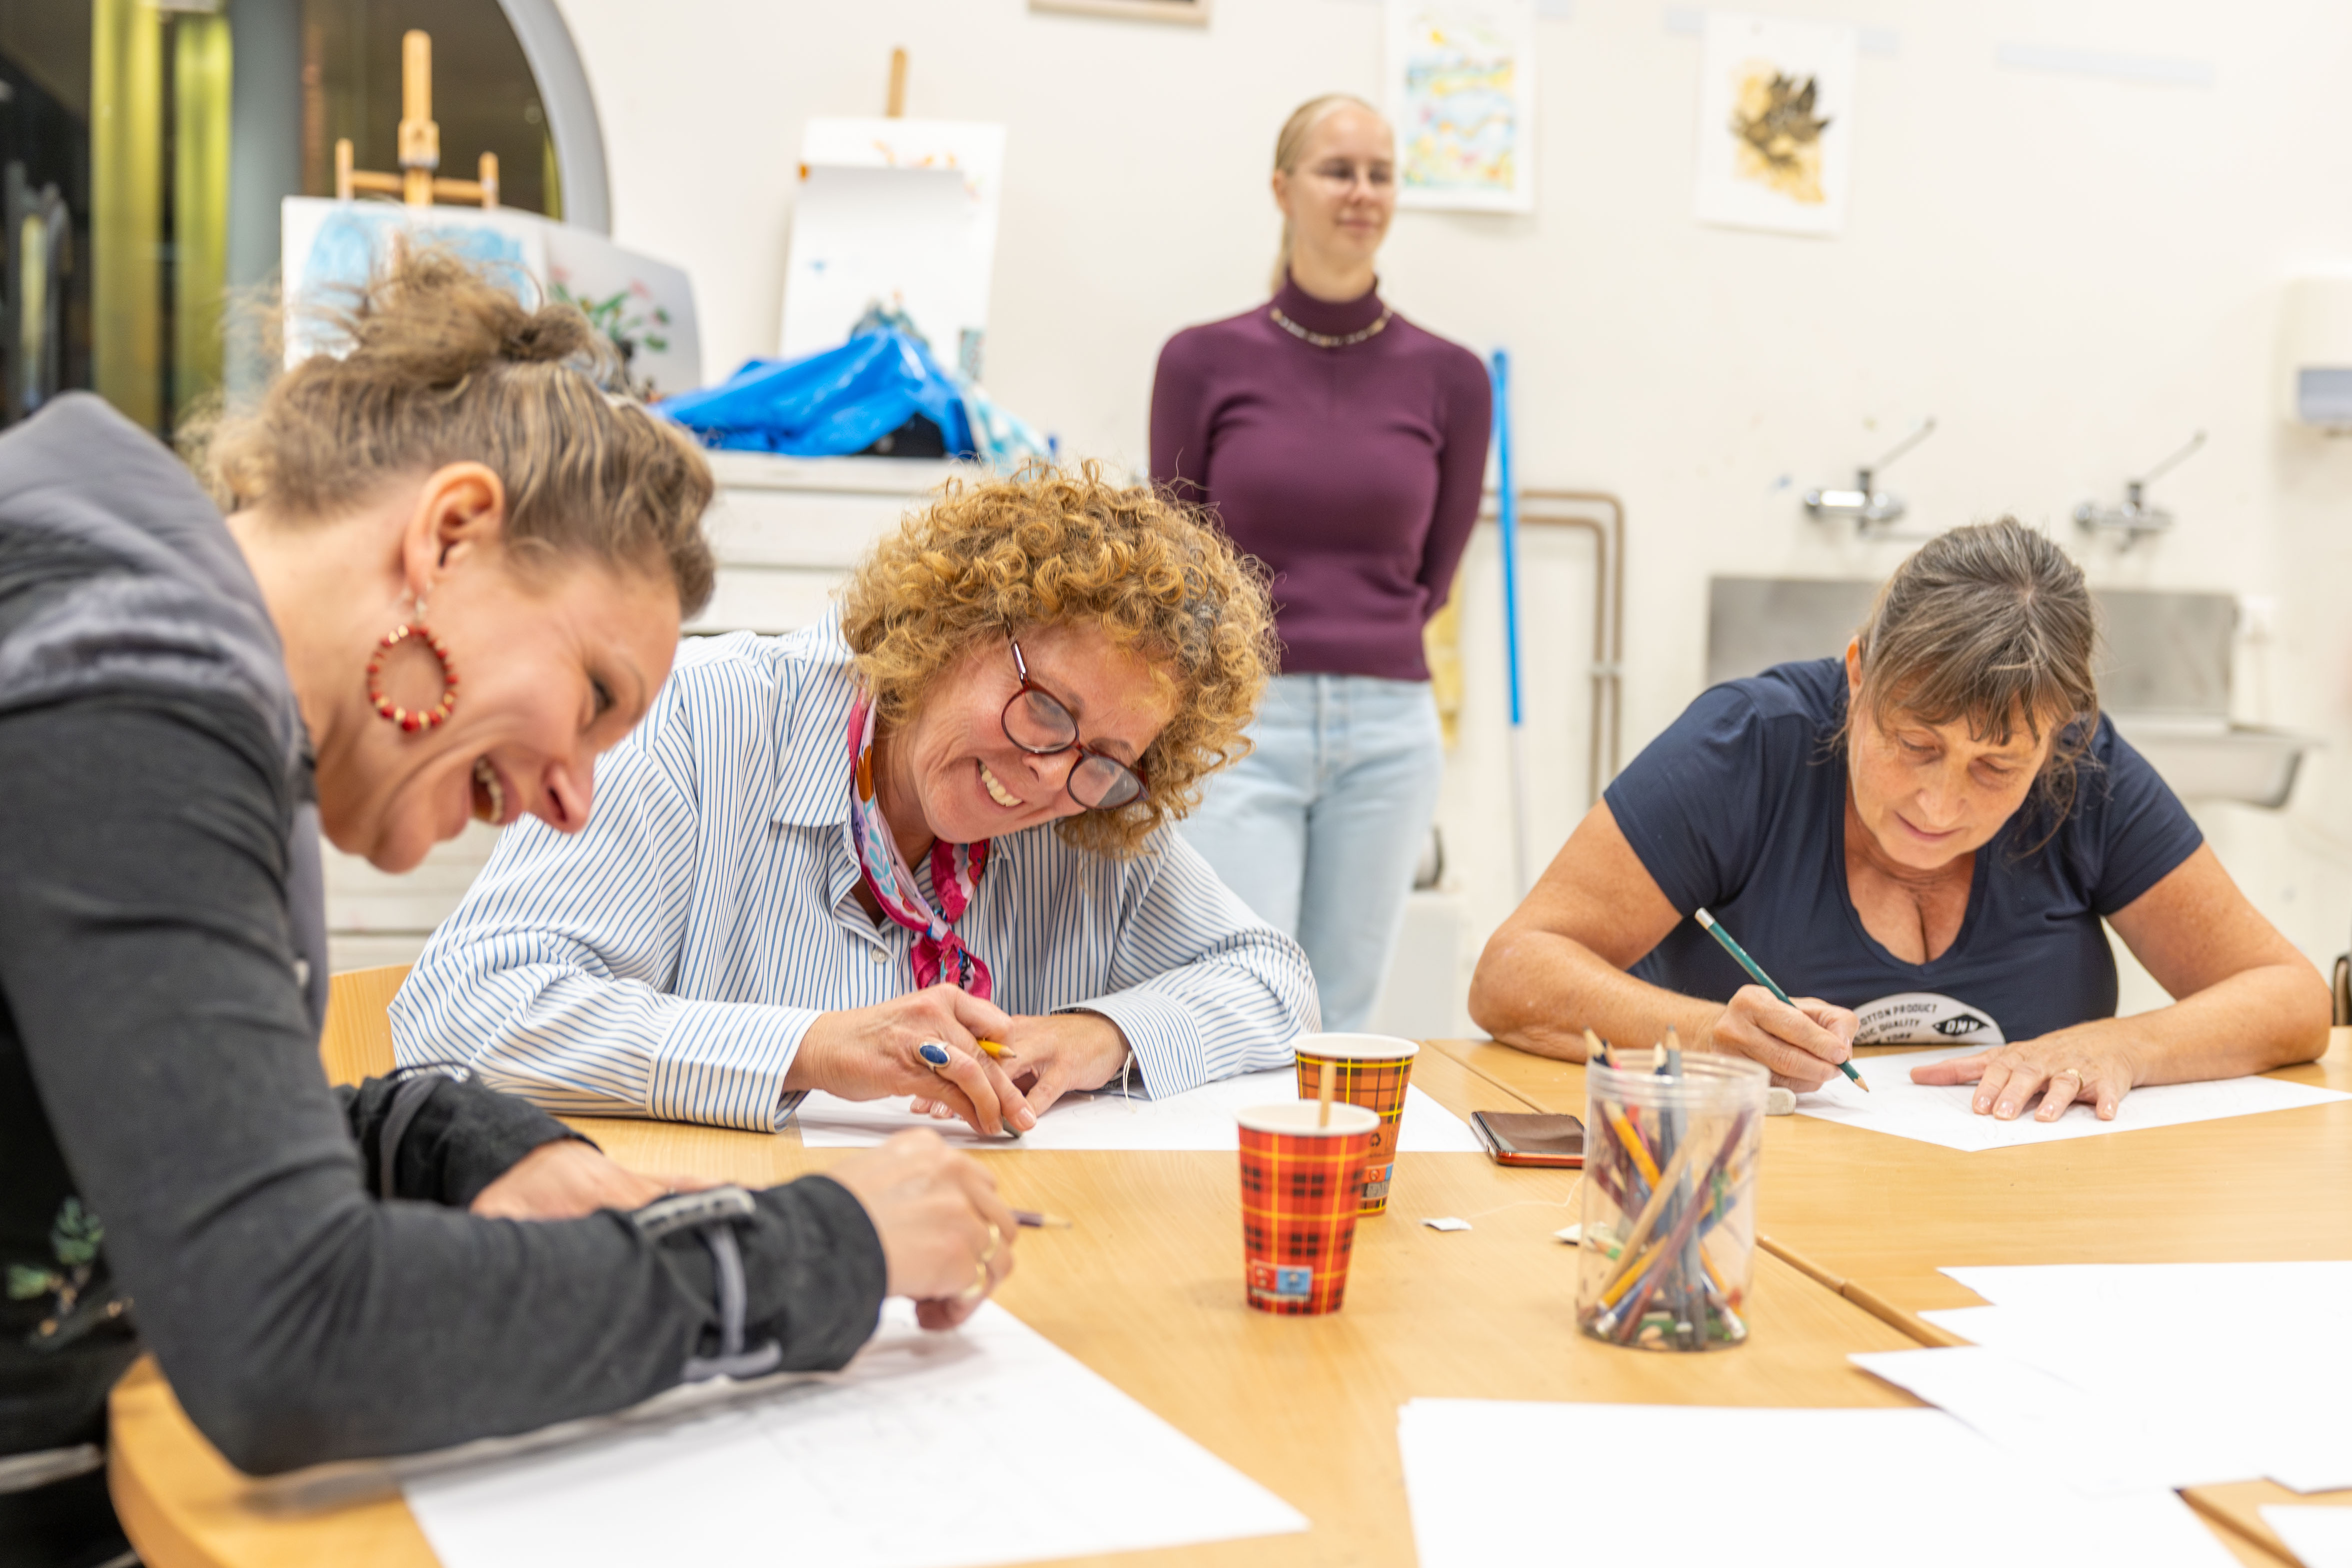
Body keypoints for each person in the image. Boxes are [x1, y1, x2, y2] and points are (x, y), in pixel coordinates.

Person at [0, 253, 1012, 1565]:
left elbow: (139, 1130)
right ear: (448, 535)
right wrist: (828, 1247)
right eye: (592, 695)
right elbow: (291, 1333)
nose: (574, 801)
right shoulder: (130, 702)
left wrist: (459, 1142)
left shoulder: (118, 629)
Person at [390, 465, 1314, 1133]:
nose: (1046, 774)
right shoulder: (701, 720)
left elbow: (1276, 984)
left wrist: (1100, 1033)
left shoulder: (1090, 804)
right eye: (1043, 708)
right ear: (951, 624)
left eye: (1107, 756)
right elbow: (460, 1011)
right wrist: (811, 1047)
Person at [1470, 519, 2329, 1119]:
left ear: (2055, 737)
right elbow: (1512, 973)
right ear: (1856, 675)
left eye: (1997, 767)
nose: (1938, 803)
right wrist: (1707, 1034)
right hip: (1750, 1199)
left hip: (2018, 1216)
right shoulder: (1749, 745)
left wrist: (2124, 1048)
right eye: (1912, 743)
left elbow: (2291, 997)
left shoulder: (2085, 770)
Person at [1149, 93, 1491, 1033]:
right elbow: (1175, 560)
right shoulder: (1199, 361)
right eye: (1338, 170)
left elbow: (1436, 567)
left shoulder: (1453, 378)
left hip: (1389, 730)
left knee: (1341, 1015)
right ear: (1281, 188)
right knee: (1234, 997)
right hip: (1242, 721)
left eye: (1380, 174)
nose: (1361, 192)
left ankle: (1325, 1183)